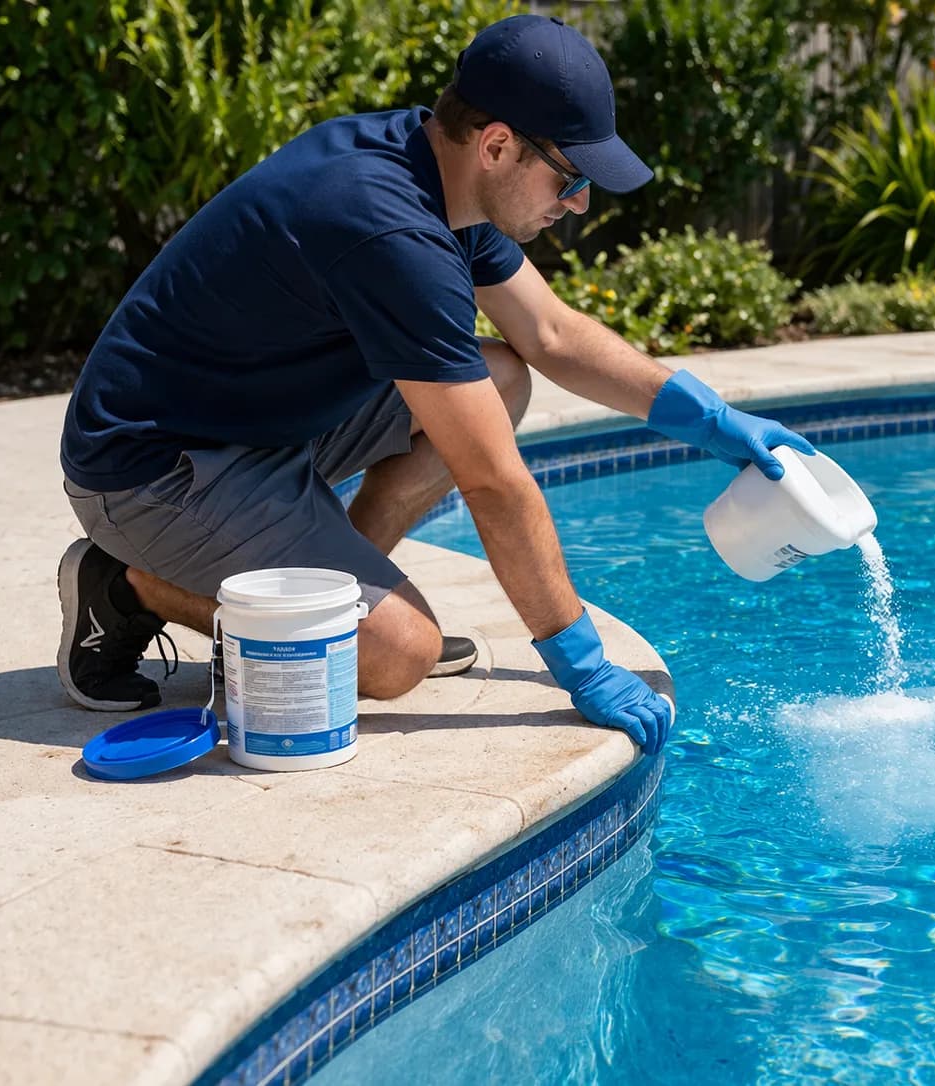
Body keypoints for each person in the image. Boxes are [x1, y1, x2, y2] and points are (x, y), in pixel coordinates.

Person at [56, 14, 814, 756]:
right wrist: (578, 660)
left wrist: (712, 420)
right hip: (156, 468)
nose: (579, 202)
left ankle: (319, 600)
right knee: (397, 656)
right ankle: (126, 585)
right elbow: (492, 482)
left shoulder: (434, 170)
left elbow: (549, 334)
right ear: (496, 145)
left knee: (501, 373)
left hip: (253, 423)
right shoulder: (388, 230)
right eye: (573, 176)